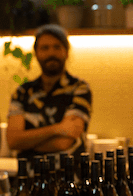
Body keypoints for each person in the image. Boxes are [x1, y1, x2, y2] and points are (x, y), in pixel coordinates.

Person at [6, 24, 92, 162]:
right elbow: (12, 141)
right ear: (36, 53)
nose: (51, 53)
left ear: (66, 51)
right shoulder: (22, 92)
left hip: (69, 178)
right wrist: (58, 128)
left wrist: (26, 143)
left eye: (57, 47)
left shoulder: (79, 89)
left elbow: (63, 143)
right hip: (28, 179)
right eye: (45, 48)